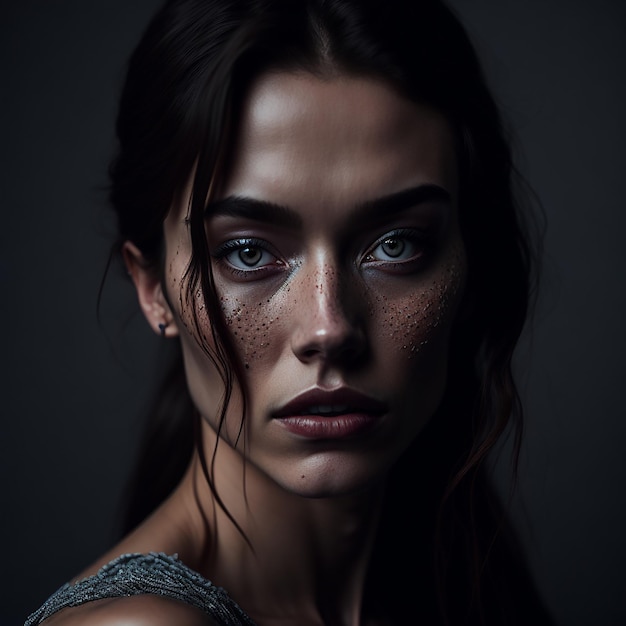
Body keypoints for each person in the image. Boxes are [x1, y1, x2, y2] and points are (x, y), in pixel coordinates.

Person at [26, 0, 556, 624]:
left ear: (472, 267)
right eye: (247, 252)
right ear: (151, 288)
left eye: (397, 244)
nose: (329, 327)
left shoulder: (462, 583)